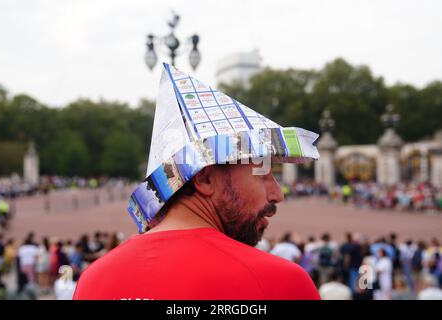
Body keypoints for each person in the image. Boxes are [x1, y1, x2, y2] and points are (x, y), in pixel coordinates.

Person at [74, 64, 320, 300]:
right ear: (205, 178)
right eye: (263, 173)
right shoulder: (280, 282)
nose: (278, 194)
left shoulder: (93, 280)